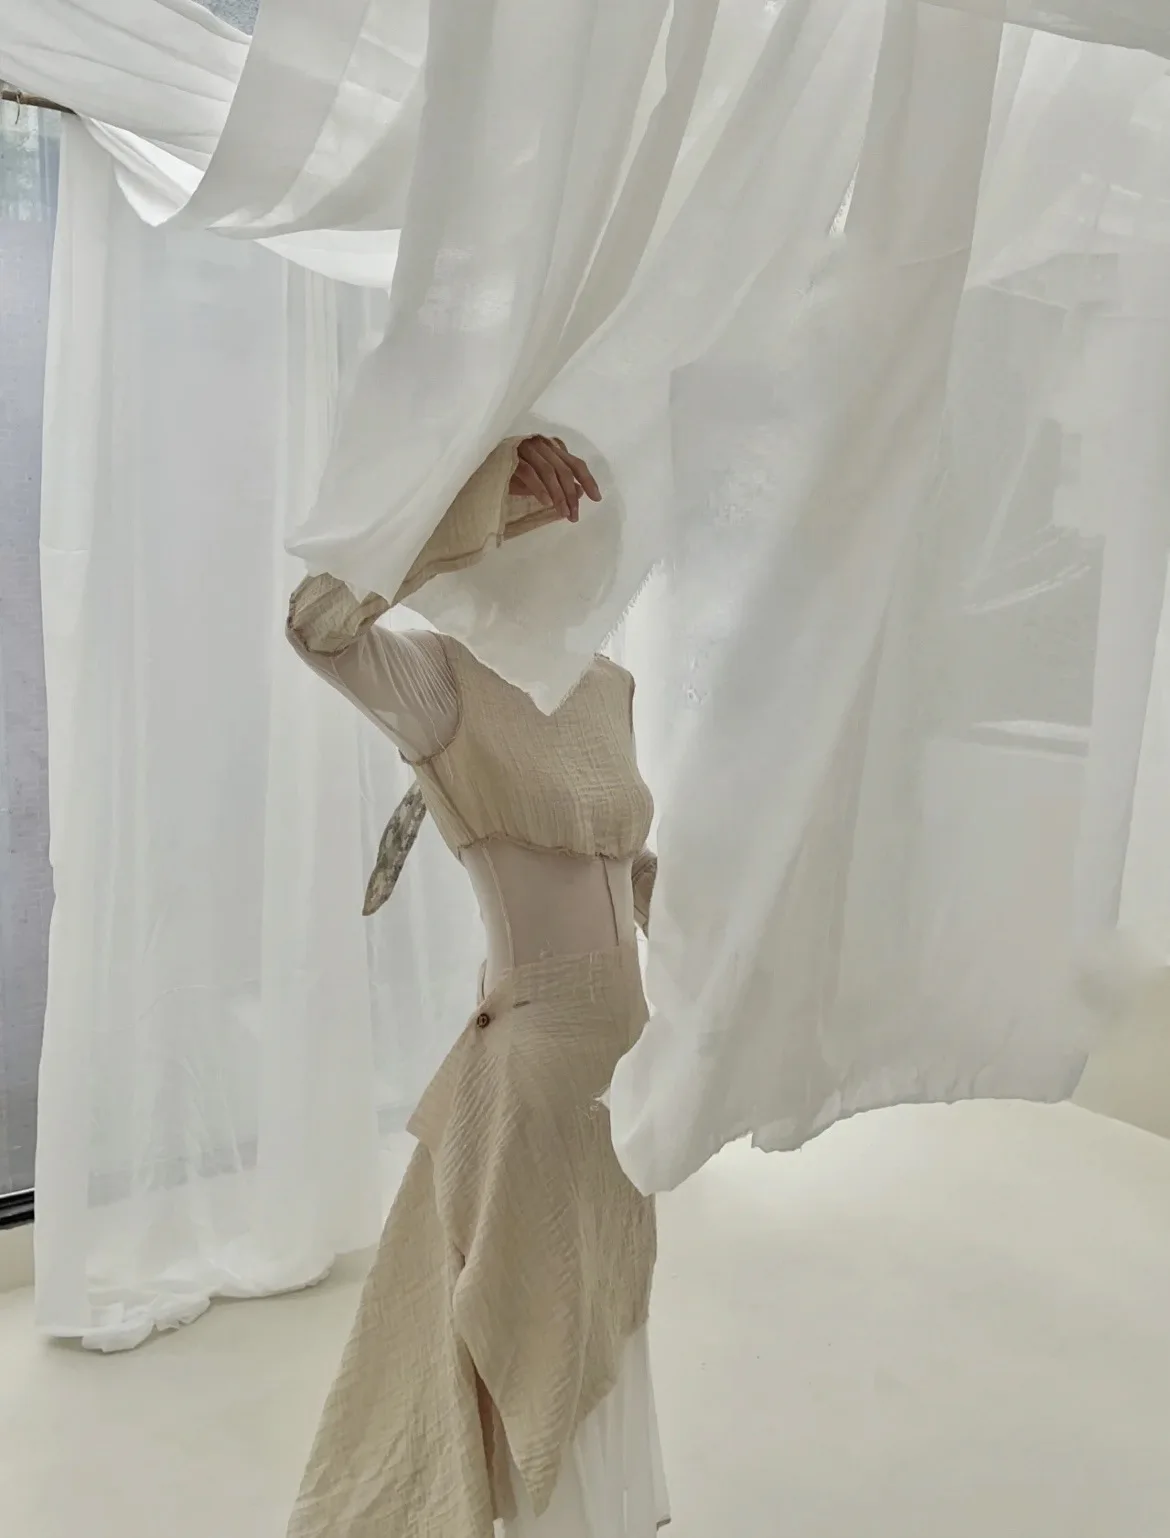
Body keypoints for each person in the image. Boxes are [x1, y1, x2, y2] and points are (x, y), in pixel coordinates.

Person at [284, 436, 667, 1538]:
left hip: (623, 1058)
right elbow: (315, 622)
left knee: (602, 1304)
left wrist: (735, 953)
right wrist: (478, 490)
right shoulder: (441, 680)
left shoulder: (610, 685)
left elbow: (627, 864)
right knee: (537, 1313)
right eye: (545, 513)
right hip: (533, 1065)